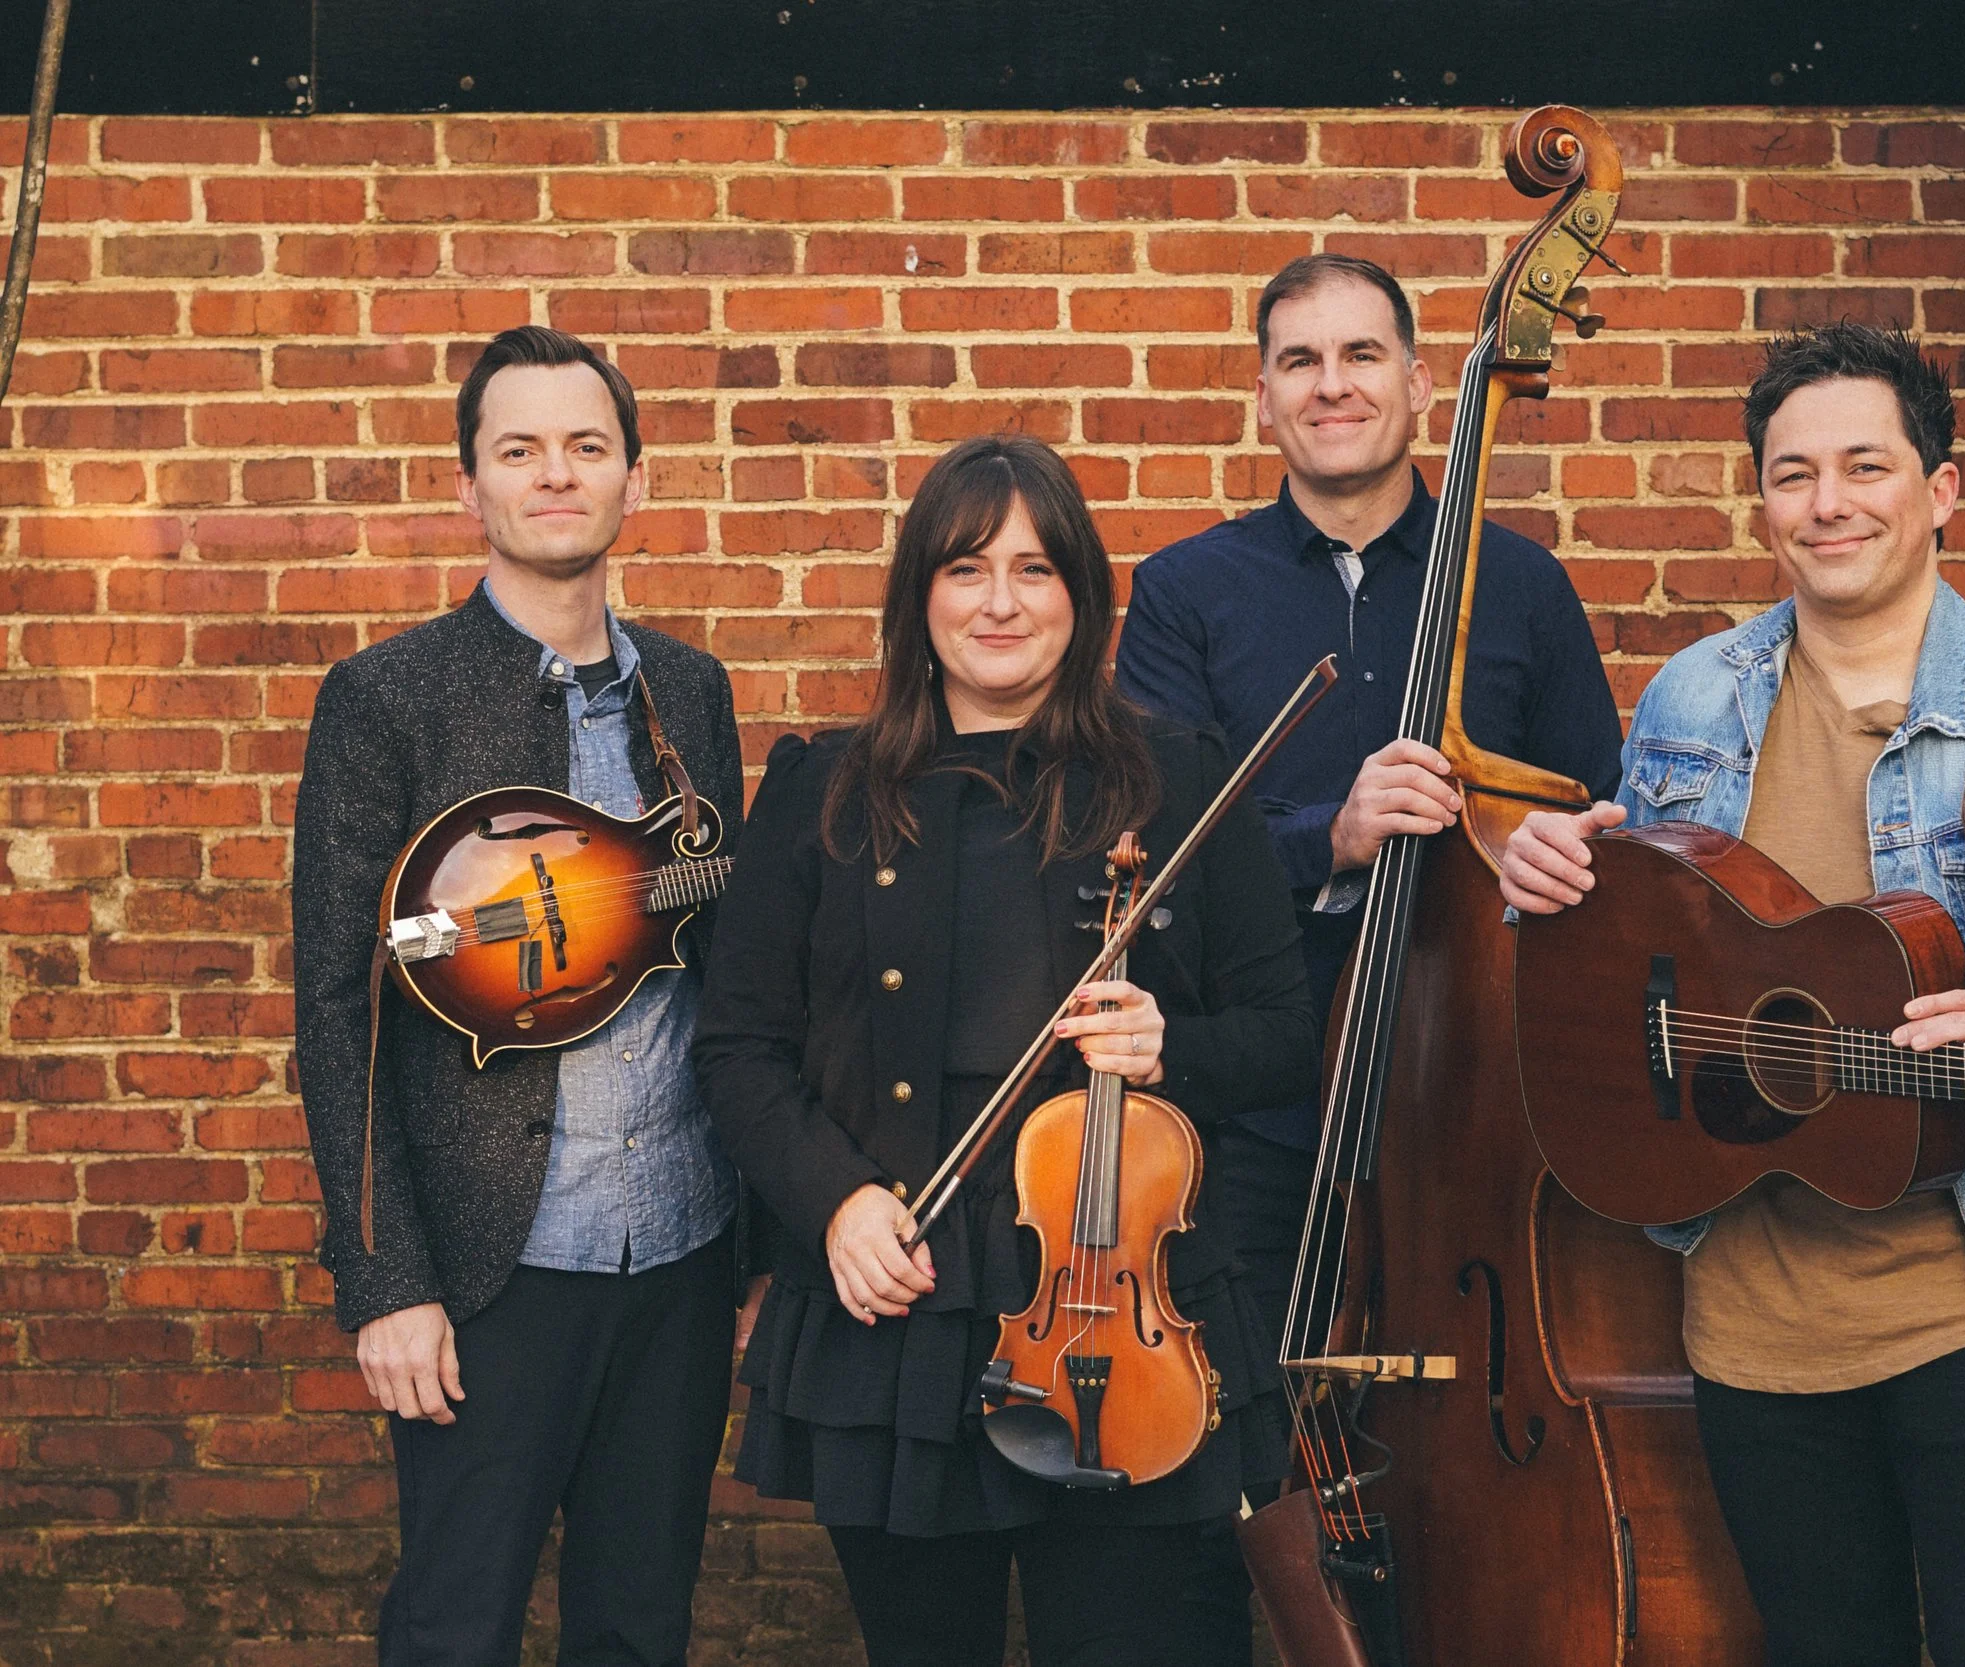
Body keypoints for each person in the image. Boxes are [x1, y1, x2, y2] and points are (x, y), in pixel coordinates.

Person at [1500, 322, 1965, 1667]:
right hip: (1748, 1313)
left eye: (1863, 465)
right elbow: (1639, 949)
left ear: (1940, 491)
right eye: (1792, 473)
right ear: (1761, 498)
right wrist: (1548, 877)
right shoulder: (1688, 702)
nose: (1827, 503)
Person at [693, 433, 1316, 1667]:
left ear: (1079, 597)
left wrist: (1167, 1046)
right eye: (966, 566)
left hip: (1128, 1308)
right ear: (918, 594)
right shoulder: (823, 794)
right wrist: (835, 1204)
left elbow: (1287, 1039)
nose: (999, 601)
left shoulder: (1178, 779)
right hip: (908, 1303)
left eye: (1035, 570)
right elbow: (737, 1050)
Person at [292, 325, 752, 1666]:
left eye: (587, 446)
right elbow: (341, 1001)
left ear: (634, 479)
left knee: (638, 1624)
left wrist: (760, 1236)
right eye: (521, 449)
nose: (558, 474)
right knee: (452, 1626)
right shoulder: (387, 698)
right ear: (471, 487)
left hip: (678, 1250)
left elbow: (719, 968)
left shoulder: (694, 690)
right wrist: (384, 1280)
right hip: (492, 1266)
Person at [1114, 252, 1623, 1363]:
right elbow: (1143, 849)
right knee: (1234, 1417)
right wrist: (1329, 836)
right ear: (1262, 398)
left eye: (1359, 354)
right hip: (1247, 1104)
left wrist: (1554, 850)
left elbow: (1605, 812)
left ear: (1421, 383)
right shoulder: (1182, 594)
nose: (1330, 384)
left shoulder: (1522, 585)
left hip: (1472, 1084)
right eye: (1299, 360)